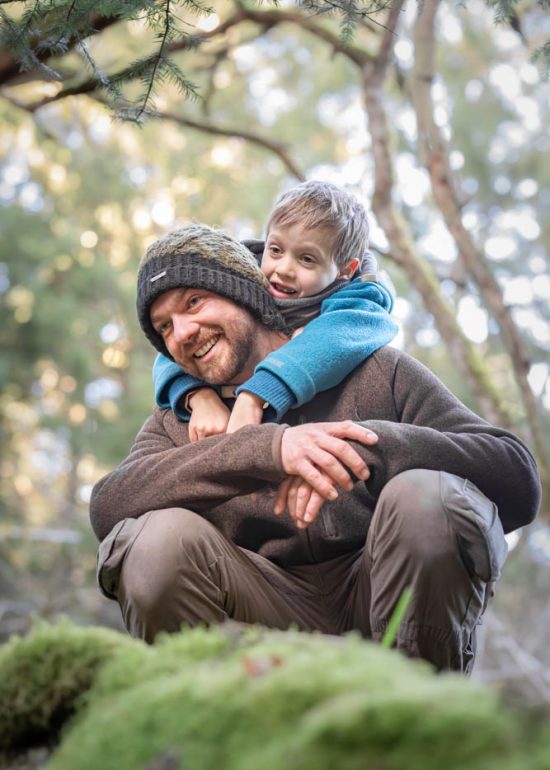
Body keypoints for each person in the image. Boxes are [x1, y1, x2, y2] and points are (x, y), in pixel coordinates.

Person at [90, 224, 541, 673]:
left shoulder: (375, 370)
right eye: (164, 327)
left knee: (428, 498)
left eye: (194, 302)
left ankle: (416, 719)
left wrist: (364, 449)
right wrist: (267, 449)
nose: (183, 333)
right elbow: (109, 504)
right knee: (153, 544)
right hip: (260, 627)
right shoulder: (179, 418)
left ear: (245, 292)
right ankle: (231, 729)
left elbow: (516, 478)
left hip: (388, 603)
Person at [152, 181, 397, 442]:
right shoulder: (240, 280)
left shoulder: (359, 301)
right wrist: (199, 397)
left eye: (307, 259)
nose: (283, 269)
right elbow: (176, 349)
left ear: (345, 269)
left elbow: (339, 334)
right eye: (276, 250)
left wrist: (255, 396)